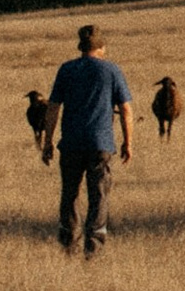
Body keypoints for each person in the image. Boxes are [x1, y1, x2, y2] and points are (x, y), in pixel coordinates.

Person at [41, 21, 133, 255]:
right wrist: (128, 142)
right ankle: (93, 246)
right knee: (99, 195)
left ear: (81, 47)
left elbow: (53, 107)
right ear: (101, 47)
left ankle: (69, 242)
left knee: (70, 194)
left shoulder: (67, 69)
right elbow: (126, 109)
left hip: (71, 143)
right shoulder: (111, 70)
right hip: (100, 144)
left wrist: (48, 141)